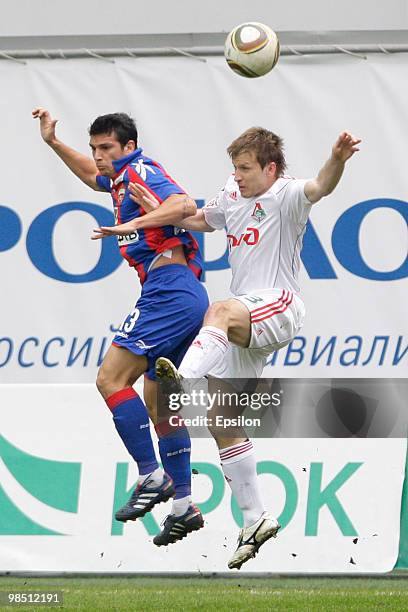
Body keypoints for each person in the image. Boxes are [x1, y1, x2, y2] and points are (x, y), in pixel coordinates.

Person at [92, 126, 361, 568]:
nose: (237, 176)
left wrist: (338, 158)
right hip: (248, 322)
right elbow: (199, 219)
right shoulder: (232, 198)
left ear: (270, 168)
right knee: (222, 420)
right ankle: (255, 518)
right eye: (234, 168)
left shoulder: (287, 195)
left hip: (278, 304)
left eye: (245, 168)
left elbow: (321, 186)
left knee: (216, 311)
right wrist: (162, 212)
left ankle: (186, 376)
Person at [32, 108, 209, 545]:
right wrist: (54, 143)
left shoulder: (141, 170)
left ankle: (152, 475)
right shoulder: (117, 178)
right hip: (180, 292)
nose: (99, 156)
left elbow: (184, 204)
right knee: (160, 405)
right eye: (95, 148)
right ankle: (185, 505)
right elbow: (92, 175)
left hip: (169, 290)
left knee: (110, 379)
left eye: (106, 148)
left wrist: (132, 223)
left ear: (129, 147)